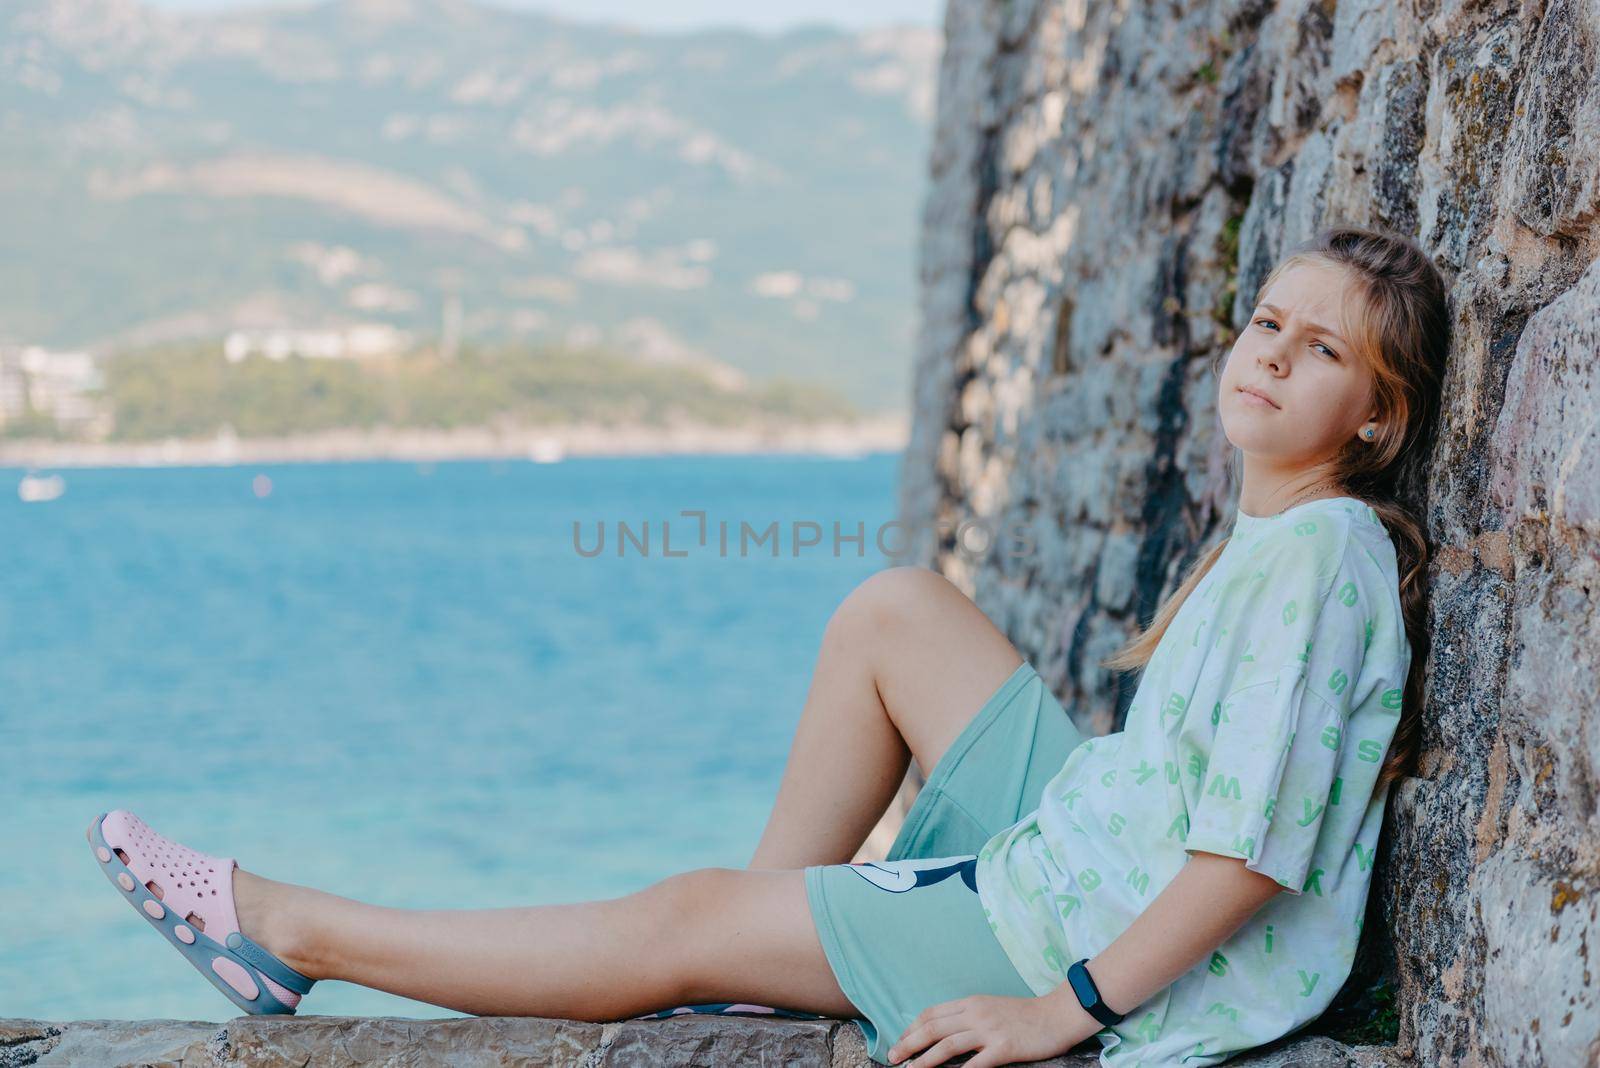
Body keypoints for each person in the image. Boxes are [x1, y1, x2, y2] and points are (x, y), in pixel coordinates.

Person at [85, 224, 1449, 1068]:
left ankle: (293, 933)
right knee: (892, 612)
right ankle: (762, 963)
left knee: (682, 915)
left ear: (1374, 416)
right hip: (1088, 839)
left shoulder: (1324, 559)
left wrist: (1062, 1012)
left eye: (1319, 349)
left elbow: (1246, 855)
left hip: (1073, 940)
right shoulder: (1277, 537)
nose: (1268, 354)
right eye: (1266, 321)